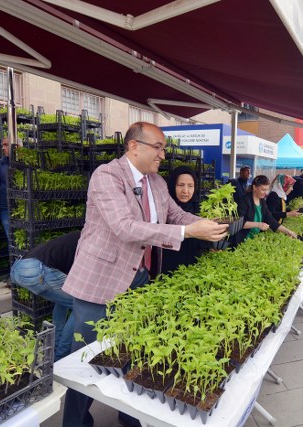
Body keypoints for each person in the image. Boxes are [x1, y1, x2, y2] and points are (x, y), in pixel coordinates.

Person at [61, 122, 228, 427]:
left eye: (164, 148)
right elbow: (125, 227)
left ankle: (129, 415)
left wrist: (206, 223)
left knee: (131, 351)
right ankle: (75, 422)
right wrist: (188, 231)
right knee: (85, 360)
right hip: (100, 281)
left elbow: (175, 215)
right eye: (158, 147)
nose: (163, 155)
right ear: (134, 146)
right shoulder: (108, 176)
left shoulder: (158, 183)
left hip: (138, 279)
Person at [10, 230, 80, 361]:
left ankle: (54, 348)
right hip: (36, 270)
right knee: (80, 305)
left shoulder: (78, 236)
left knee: (63, 301)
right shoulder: (88, 244)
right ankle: (61, 356)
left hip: (18, 267)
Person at [160, 166, 207, 274]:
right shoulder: (163, 209)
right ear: (172, 186)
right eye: (180, 185)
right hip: (167, 267)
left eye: (190, 186)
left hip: (193, 268)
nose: (185, 191)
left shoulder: (200, 209)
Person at [232, 175, 297, 245]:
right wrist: (258, 225)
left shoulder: (262, 201)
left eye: (266, 190)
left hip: (254, 239)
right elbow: (238, 223)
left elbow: (270, 219)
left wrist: (288, 231)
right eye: (263, 189)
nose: (265, 193)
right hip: (242, 240)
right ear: (254, 187)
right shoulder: (244, 201)